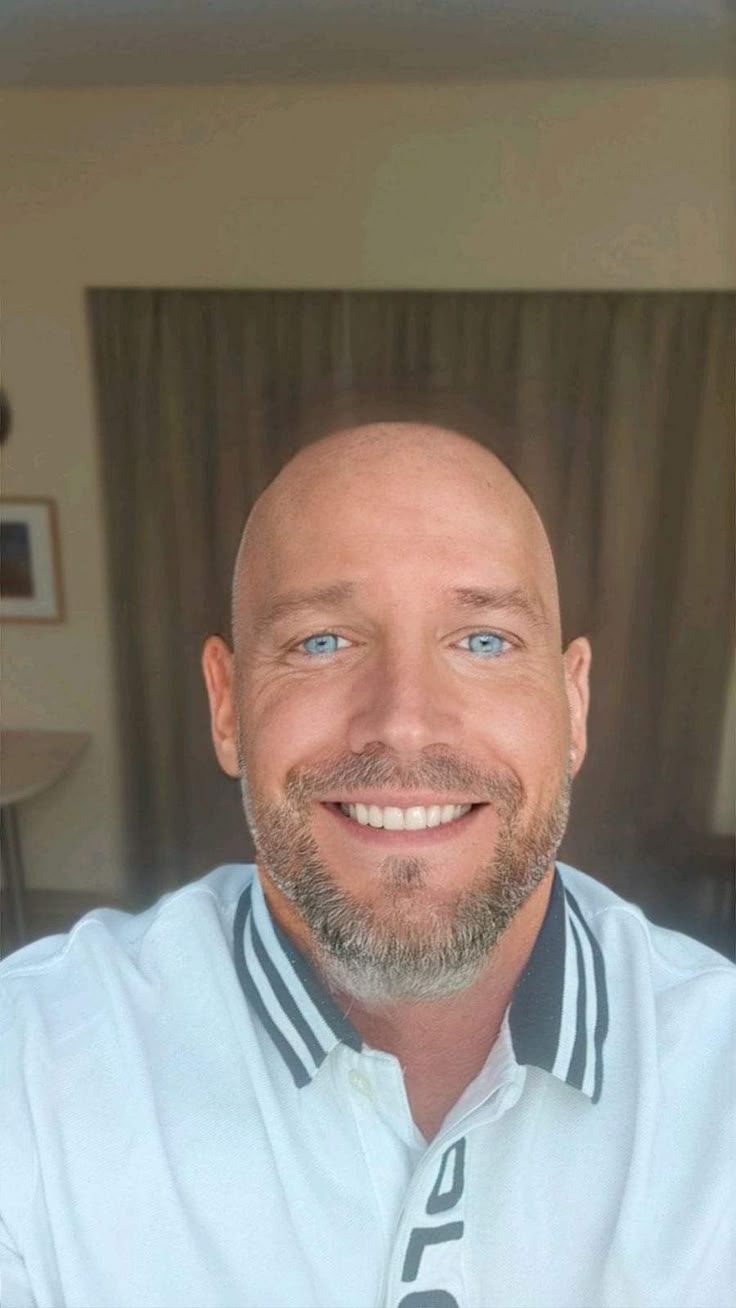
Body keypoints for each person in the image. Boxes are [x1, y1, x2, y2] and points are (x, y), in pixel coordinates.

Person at [0, 410, 733, 1308]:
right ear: (227, 705)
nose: (404, 721)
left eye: (484, 640)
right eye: (322, 641)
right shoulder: (30, 1068)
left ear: (573, 704)